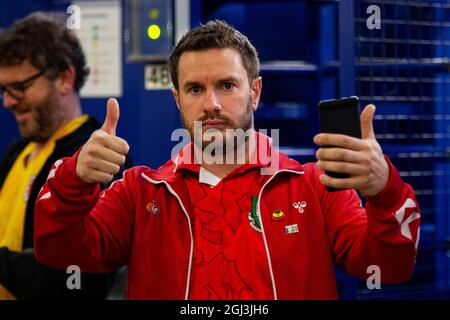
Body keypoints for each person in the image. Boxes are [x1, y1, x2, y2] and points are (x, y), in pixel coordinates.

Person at [34, 20, 421, 299]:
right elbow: (60, 252)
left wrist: (385, 190)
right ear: (177, 99)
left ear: (255, 92)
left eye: (226, 85)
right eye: (195, 89)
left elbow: (388, 267)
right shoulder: (141, 191)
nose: (211, 104)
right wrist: (74, 178)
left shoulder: (315, 187)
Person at [0, 12, 129, 299]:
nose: (8, 101)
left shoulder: (97, 158)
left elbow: (81, 278)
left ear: (64, 78)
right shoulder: (17, 152)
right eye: (4, 89)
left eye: (19, 87)